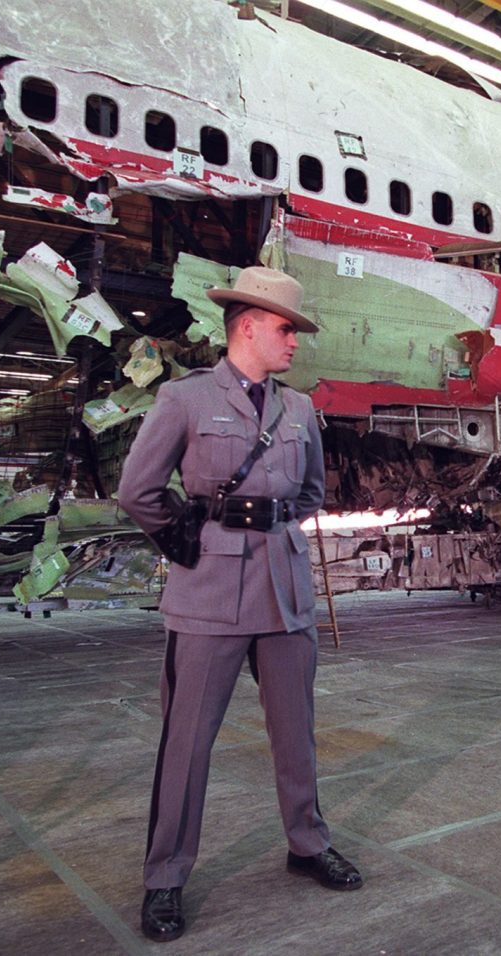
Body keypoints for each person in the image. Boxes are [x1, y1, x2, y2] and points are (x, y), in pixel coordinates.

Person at [118, 266, 362, 944]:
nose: (295, 343)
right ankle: (165, 878)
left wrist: (274, 526)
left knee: (297, 733)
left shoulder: (301, 410)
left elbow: (311, 493)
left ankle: (307, 844)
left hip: (285, 595)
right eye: (287, 329)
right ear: (247, 325)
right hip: (209, 598)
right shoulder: (186, 399)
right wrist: (188, 544)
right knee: (186, 742)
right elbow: (137, 491)